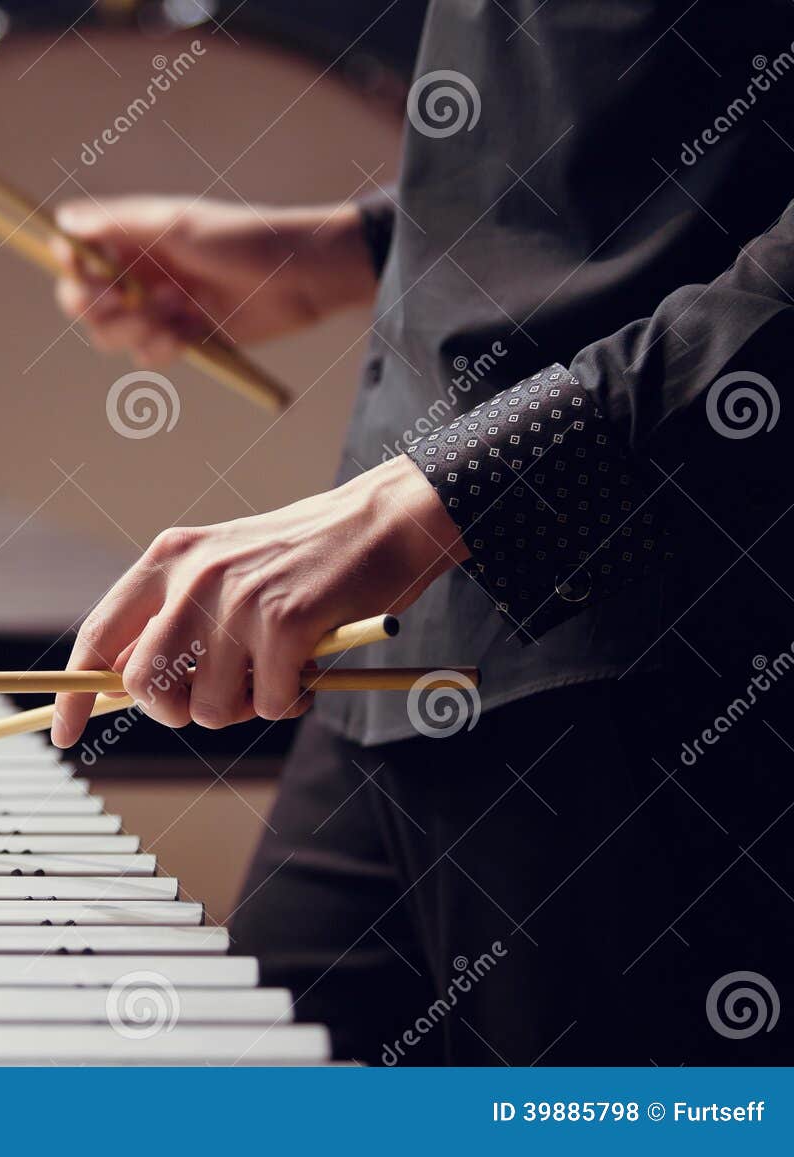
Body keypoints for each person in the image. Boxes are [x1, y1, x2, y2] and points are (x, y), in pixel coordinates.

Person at [48, 2, 794, 1065]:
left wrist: (450, 491)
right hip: (405, 647)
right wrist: (340, 250)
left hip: (664, 660)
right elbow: (642, 118)